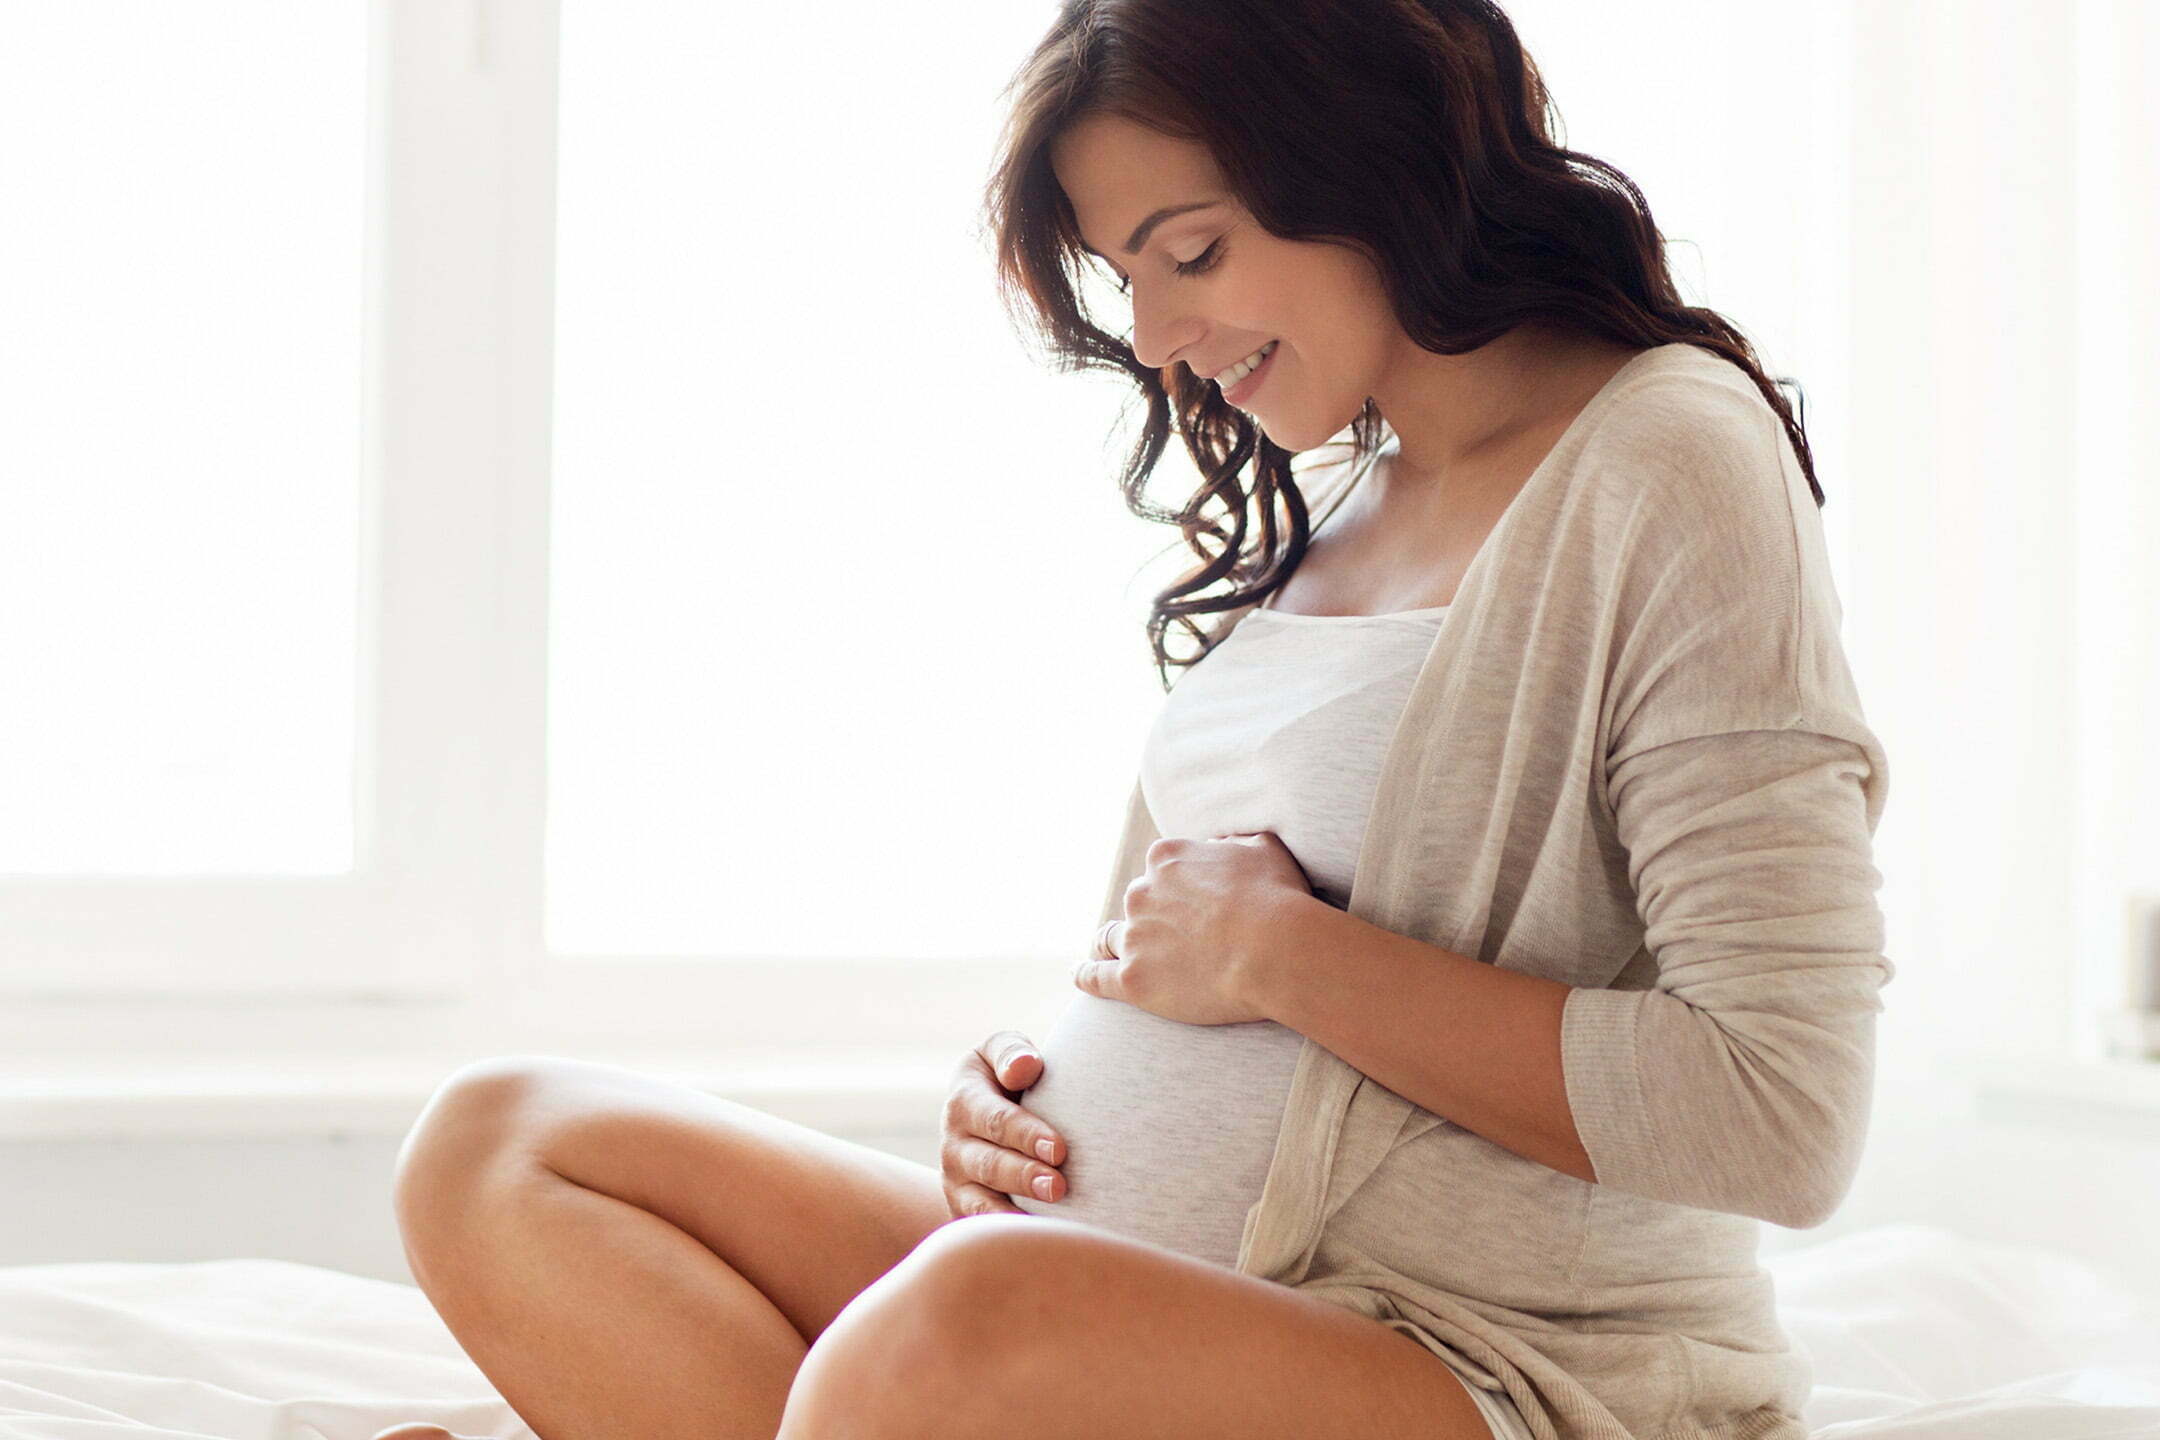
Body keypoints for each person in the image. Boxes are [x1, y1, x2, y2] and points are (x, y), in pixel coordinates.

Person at [378, 2, 1886, 1438]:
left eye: (1195, 253)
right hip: (1112, 1301)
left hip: (1488, 1363)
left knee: (961, 1325)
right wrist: (1021, 1094)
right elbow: (1164, 966)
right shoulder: (1335, 507)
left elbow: (1779, 1113)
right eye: (1128, 278)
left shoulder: (1668, 460)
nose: (1161, 335)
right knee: (501, 1143)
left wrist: (1294, 961)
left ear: (1372, 158)